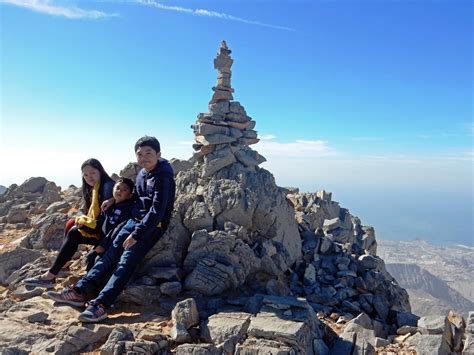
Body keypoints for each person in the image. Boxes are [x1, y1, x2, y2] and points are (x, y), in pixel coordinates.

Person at [47, 136, 176, 323]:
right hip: (133, 220)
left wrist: (137, 234)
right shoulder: (142, 174)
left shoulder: (163, 177)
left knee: (126, 261)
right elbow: (137, 198)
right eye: (140, 154)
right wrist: (115, 200)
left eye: (149, 153)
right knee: (109, 255)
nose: (144, 158)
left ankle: (101, 304)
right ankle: (79, 291)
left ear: (158, 154)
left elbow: (158, 210)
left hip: (152, 226)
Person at [24, 158, 115, 288]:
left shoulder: (107, 187)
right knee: (71, 223)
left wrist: (86, 225)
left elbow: (108, 218)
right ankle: (63, 264)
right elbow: (86, 211)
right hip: (101, 227)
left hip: (108, 233)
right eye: (86, 174)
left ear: (100, 171)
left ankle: (50, 276)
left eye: (93, 173)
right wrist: (81, 220)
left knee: (74, 233)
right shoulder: (94, 188)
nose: (89, 177)